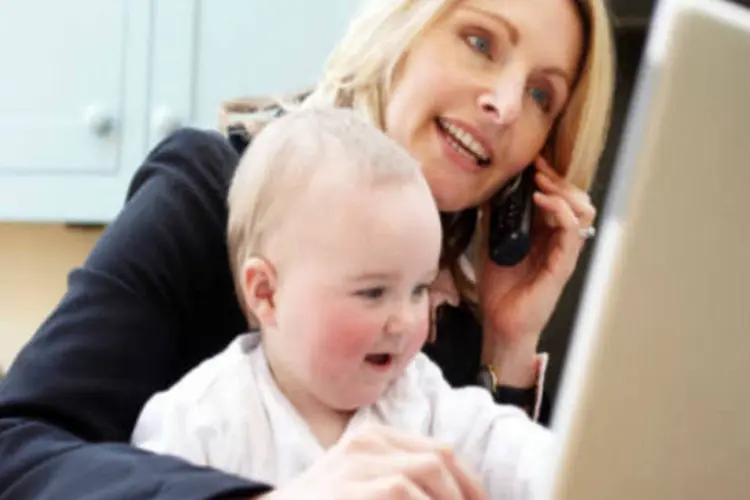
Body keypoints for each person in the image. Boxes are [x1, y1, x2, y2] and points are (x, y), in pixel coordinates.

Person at [0, 0, 614, 499]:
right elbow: (17, 451)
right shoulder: (207, 195)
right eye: (480, 42)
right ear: (398, 29)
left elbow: (504, 462)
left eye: (541, 95)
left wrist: (506, 343)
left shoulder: (446, 310)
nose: (506, 107)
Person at [130, 107, 553, 499]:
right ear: (266, 294)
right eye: (373, 292)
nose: (406, 321)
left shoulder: (420, 396)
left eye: (420, 289)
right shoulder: (199, 421)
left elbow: (524, 457)